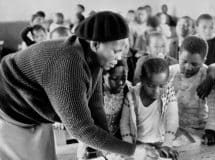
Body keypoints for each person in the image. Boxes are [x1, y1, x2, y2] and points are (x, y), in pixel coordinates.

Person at [0, 11, 158, 160]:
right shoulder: (68, 63)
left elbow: (95, 107)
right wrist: (131, 150)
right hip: (8, 108)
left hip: (31, 109)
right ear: (95, 45)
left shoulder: (92, 57)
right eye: (115, 51)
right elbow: (81, 129)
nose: (118, 58)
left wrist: (108, 148)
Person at [120, 58, 179, 159]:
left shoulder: (169, 93)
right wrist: (129, 148)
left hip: (161, 143)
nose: (156, 91)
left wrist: (167, 144)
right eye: (151, 85)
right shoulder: (131, 96)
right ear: (142, 80)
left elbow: (172, 119)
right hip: (138, 144)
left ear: (167, 82)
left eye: (161, 86)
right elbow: (124, 123)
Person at [78, 61, 131, 159]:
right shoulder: (92, 93)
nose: (120, 82)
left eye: (124, 78)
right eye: (114, 78)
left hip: (117, 138)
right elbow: (85, 127)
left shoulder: (127, 90)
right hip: (93, 140)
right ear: (103, 77)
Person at [169, 36, 208, 130]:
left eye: (194, 64)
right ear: (178, 55)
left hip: (199, 126)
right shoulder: (170, 72)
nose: (188, 67)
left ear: (203, 61)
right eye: (184, 61)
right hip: (173, 126)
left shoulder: (206, 75)